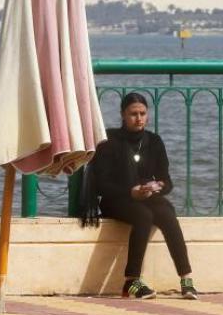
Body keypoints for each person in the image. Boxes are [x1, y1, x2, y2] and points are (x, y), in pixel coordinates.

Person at [79, 92, 198, 300]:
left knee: (167, 214)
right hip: (115, 200)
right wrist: (130, 191)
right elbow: (102, 185)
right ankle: (131, 281)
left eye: (143, 113)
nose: (139, 118)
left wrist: (159, 186)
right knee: (143, 216)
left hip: (146, 196)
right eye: (133, 114)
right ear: (123, 115)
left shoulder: (154, 141)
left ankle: (186, 279)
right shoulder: (110, 141)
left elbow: (167, 180)